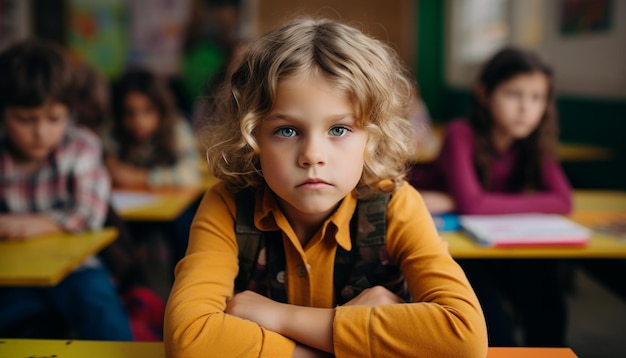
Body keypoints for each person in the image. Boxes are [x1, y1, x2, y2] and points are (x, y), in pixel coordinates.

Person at [164, 17, 487, 358]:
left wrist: (277, 317)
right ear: (253, 135)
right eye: (287, 131)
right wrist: (343, 344)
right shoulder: (226, 205)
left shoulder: (395, 203)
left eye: (339, 130)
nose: (312, 156)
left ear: (372, 136)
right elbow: (189, 341)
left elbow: (464, 338)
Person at [413, 47, 572, 347]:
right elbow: (473, 205)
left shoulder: (535, 140)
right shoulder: (461, 132)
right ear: (484, 93)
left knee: (547, 297)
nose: (526, 108)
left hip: (500, 241)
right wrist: (474, 202)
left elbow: (563, 201)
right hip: (461, 246)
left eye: (537, 98)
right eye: (513, 95)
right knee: (489, 322)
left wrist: (469, 201)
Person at [0, 39, 132, 340]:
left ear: (69, 112)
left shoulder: (81, 145)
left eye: (54, 119)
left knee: (104, 316)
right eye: (25, 119)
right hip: (10, 276)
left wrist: (28, 225)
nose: (40, 132)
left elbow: (89, 215)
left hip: (77, 270)